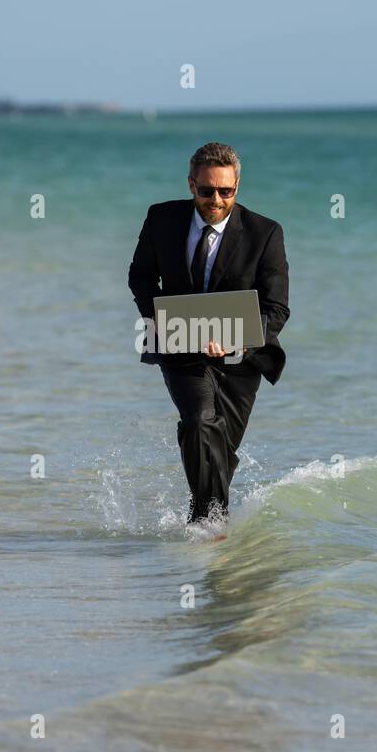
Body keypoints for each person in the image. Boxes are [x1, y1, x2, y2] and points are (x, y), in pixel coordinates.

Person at [127, 142, 290, 528]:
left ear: (237, 187)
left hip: (241, 356)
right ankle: (209, 528)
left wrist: (237, 339)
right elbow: (141, 276)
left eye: (225, 191)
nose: (215, 200)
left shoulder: (265, 233)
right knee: (200, 423)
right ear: (191, 185)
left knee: (221, 451)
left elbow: (277, 308)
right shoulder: (161, 219)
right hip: (180, 347)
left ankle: (206, 528)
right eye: (206, 191)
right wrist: (167, 321)